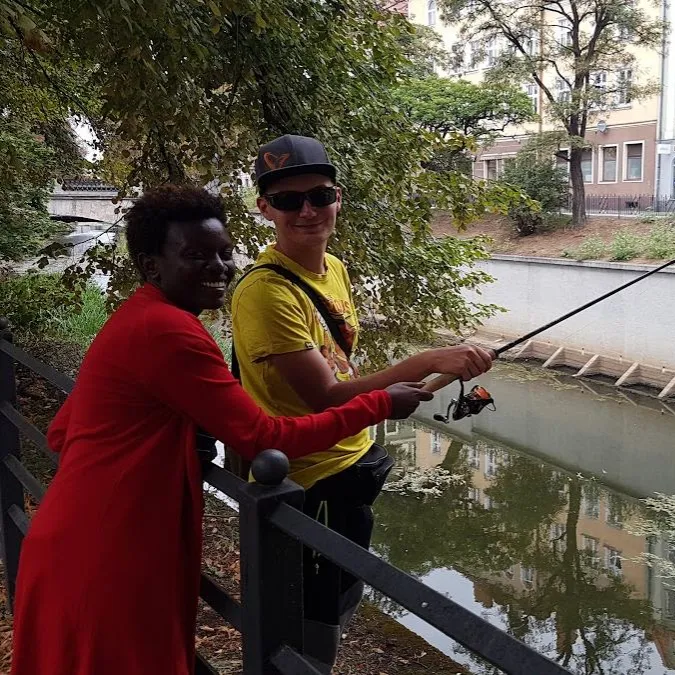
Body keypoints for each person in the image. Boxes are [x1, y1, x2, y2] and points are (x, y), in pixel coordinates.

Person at [10, 185, 432, 675]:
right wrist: (379, 403)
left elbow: (63, 430)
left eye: (225, 253)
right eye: (195, 255)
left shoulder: (137, 315)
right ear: (152, 266)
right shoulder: (170, 331)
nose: (219, 268)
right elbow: (266, 439)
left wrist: (177, 427)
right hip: (113, 552)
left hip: (75, 535)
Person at [231, 134, 494, 670]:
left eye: (320, 195)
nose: (307, 210)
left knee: (343, 597)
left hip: (352, 462)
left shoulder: (334, 269)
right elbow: (322, 395)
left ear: (338, 199)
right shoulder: (265, 292)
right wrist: (423, 362)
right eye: (288, 200)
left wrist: (427, 378)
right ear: (265, 209)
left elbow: (340, 367)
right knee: (312, 618)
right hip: (305, 478)